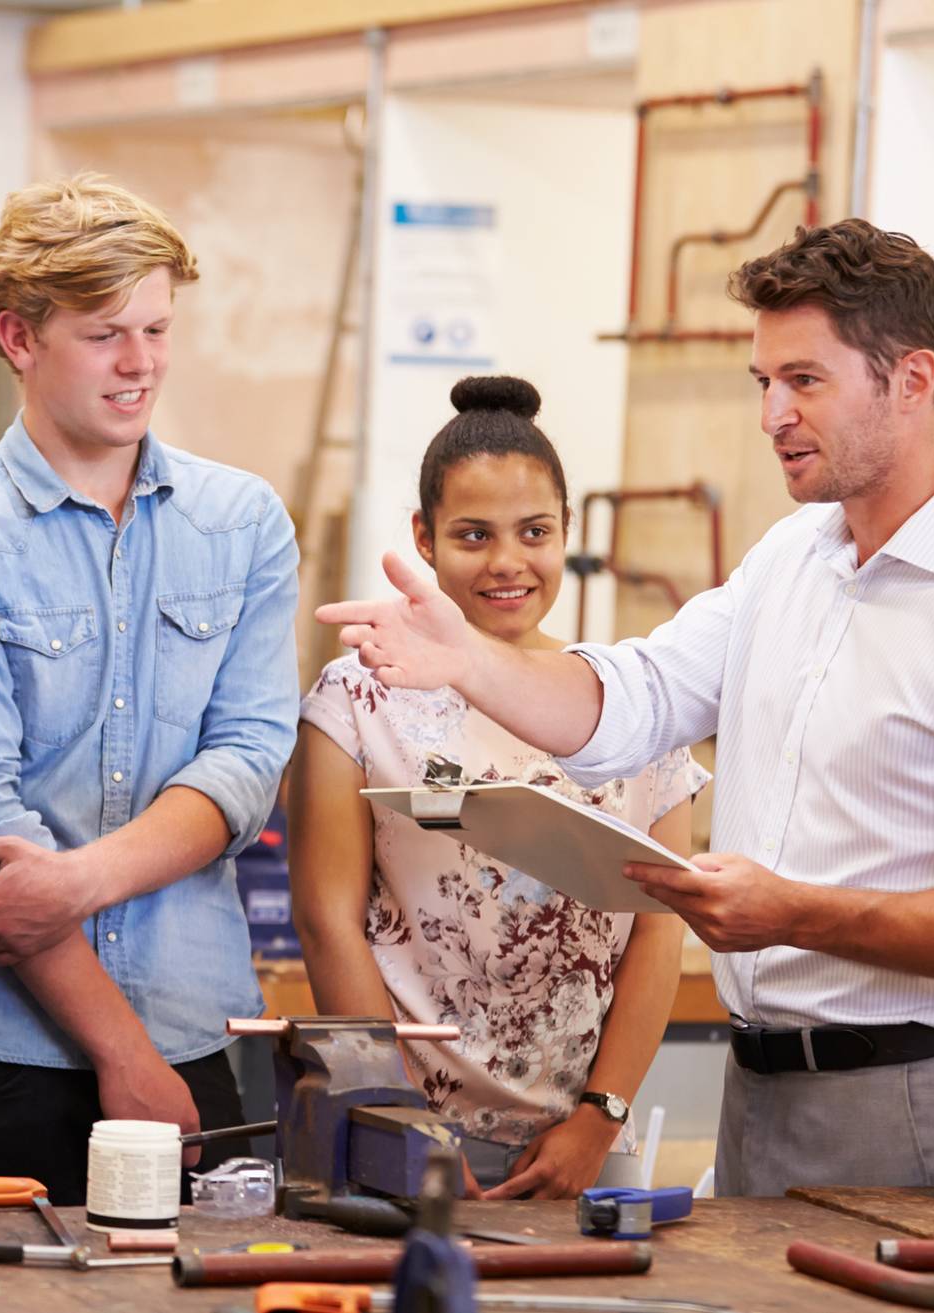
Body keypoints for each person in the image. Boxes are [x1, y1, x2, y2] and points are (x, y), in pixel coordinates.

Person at [317, 220, 934, 1198]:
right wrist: (470, 661)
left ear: (913, 379)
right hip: (760, 1100)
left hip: (919, 1103)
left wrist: (799, 913)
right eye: (764, 382)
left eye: (804, 380)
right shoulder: (793, 561)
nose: (772, 415)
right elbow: (630, 700)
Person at [0, 175, 299, 1204]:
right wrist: (119, 1051)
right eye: (105, 333)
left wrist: (80, 880)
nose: (141, 365)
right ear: (19, 338)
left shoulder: (244, 522)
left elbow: (250, 760)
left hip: (196, 1026)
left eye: (158, 328)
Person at [291, 375, 699, 1200]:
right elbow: (325, 919)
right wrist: (396, 1112)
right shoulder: (359, 697)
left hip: (577, 1145)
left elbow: (660, 928)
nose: (508, 563)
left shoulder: (627, 703)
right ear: (426, 537)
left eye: (535, 532)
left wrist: (600, 1116)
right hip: (395, 1129)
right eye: (473, 535)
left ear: (567, 533)